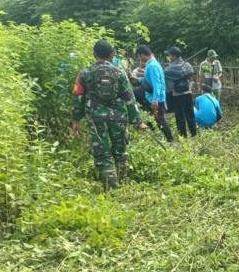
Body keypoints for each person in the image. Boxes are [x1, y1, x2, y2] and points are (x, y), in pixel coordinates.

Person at [72, 40, 148, 191]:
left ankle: (110, 188)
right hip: (118, 117)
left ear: (94, 55)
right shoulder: (120, 73)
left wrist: (75, 120)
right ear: (112, 55)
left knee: (102, 153)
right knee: (120, 150)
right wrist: (139, 121)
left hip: (96, 118)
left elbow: (77, 97)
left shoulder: (84, 73)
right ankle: (122, 184)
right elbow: (130, 98)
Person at [133, 45, 174, 142]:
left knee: (160, 120)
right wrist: (139, 80)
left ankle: (170, 141)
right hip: (152, 96)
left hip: (156, 98)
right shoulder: (152, 63)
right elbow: (149, 79)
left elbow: (157, 85)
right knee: (156, 118)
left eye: (139, 56)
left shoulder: (152, 66)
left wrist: (155, 100)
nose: (140, 58)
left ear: (142, 55)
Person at [164, 47, 198, 139]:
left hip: (177, 95)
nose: (169, 57)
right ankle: (194, 134)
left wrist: (174, 92)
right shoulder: (188, 66)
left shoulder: (168, 70)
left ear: (174, 56)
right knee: (190, 115)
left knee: (180, 117)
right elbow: (191, 78)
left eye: (170, 55)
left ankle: (183, 137)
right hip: (188, 93)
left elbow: (170, 86)